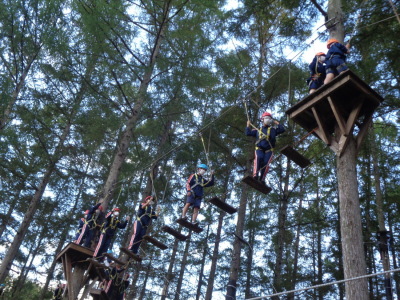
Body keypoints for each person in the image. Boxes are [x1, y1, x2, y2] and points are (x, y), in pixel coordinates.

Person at [245, 112, 285, 184]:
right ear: (262, 119)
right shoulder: (258, 130)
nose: (267, 120)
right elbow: (248, 133)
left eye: (269, 118)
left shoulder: (273, 130)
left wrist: (277, 123)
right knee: (259, 158)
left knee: (266, 164)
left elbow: (282, 130)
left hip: (269, 150)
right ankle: (255, 175)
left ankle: (262, 179)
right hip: (259, 148)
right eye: (266, 118)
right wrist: (248, 126)